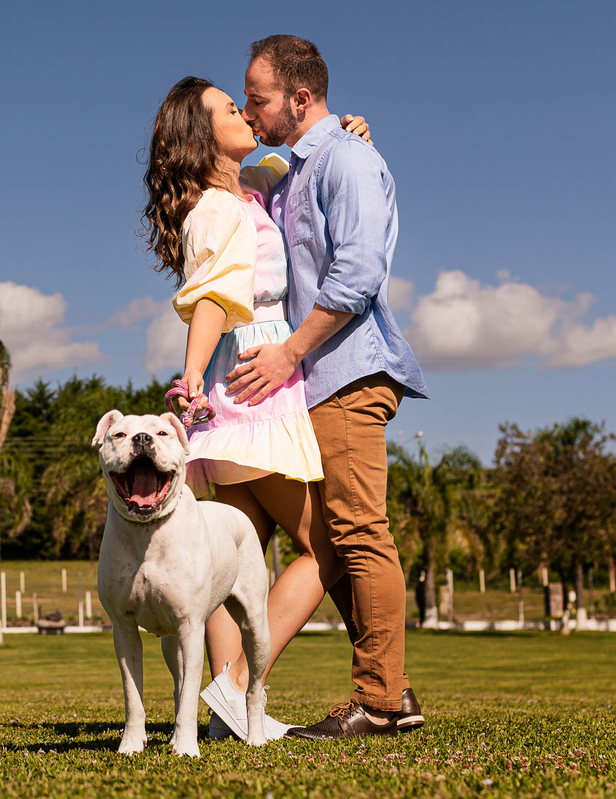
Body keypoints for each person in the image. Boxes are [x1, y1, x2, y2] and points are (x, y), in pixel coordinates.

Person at [140, 76, 371, 741]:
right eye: (227, 109)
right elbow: (212, 294)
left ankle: (223, 719)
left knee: (230, 567)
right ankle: (237, 688)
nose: (243, 113)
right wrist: (189, 375)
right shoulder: (218, 208)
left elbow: (289, 157)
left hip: (231, 389)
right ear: (199, 135)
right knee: (324, 547)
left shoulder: (247, 190)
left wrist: (344, 137)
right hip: (253, 381)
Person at [225, 34, 429, 740]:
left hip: (345, 372)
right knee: (334, 539)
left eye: (257, 98)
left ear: (300, 98)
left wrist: (287, 353)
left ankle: (378, 700)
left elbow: (358, 274)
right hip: (310, 382)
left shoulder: (345, 158)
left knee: (358, 532)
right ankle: (390, 690)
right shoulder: (297, 168)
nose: (249, 111)